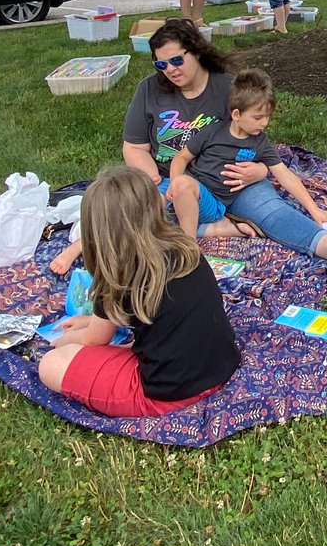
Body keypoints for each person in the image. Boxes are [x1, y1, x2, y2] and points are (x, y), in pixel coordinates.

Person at [49, 20, 255, 274]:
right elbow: (134, 147)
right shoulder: (149, 88)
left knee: (150, 212)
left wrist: (259, 171)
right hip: (167, 176)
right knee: (133, 205)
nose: (170, 69)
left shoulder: (228, 88)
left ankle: (205, 230)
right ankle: (84, 245)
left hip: (211, 180)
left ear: (197, 51)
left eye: (177, 61)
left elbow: (253, 138)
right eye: (161, 64)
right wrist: (150, 175)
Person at [38, 166, 241, 419]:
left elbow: (94, 340)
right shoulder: (184, 249)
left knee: (51, 364)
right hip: (221, 365)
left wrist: (62, 342)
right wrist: (90, 321)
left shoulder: (118, 271)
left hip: (165, 392)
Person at [166, 68, 327, 265]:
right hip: (194, 192)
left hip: (218, 202)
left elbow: (284, 174)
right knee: (149, 207)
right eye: (258, 118)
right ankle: (203, 238)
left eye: (268, 117)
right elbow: (182, 158)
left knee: (274, 213)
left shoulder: (259, 143)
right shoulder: (213, 132)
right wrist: (174, 183)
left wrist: (314, 209)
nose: (265, 123)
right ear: (236, 114)